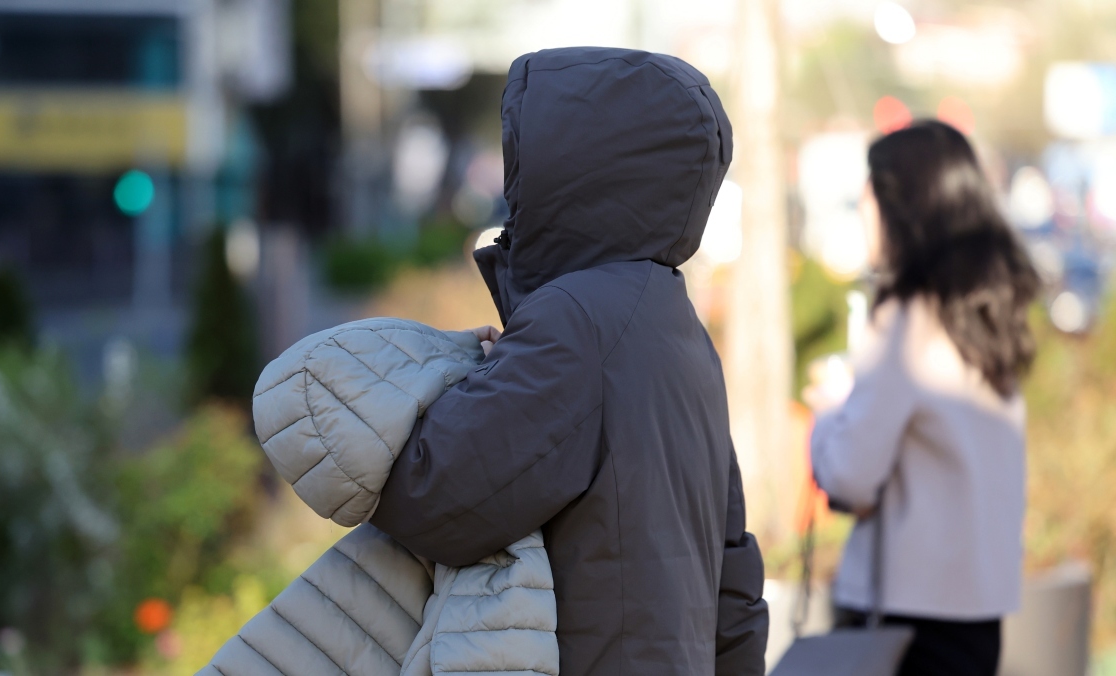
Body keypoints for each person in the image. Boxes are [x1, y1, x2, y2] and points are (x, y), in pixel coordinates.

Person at [368, 47, 769, 674]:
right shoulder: (674, 322)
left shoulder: (581, 320)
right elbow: (735, 576)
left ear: (572, 170)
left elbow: (435, 498)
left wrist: (463, 379)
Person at [807, 120, 1040, 676]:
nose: (863, 210)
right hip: (979, 614)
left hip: (901, 620)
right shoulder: (990, 315)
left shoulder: (905, 321)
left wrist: (828, 413)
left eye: (868, 195)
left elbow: (849, 476)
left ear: (900, 208)